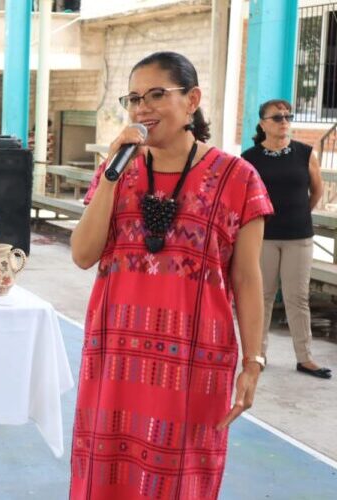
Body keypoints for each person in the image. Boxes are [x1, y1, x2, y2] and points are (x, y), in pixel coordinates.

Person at [69, 51, 272, 499]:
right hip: (115, 356)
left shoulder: (239, 178)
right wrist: (109, 174)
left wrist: (253, 363)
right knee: (107, 480)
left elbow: (248, 280)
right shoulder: (116, 171)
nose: (142, 108)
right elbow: (83, 254)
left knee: (183, 481)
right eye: (135, 98)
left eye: (157, 94)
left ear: (192, 100)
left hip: (194, 364)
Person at [241, 99, 330, 380]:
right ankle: (258, 355)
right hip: (264, 237)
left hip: (298, 235)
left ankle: (305, 358)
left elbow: (316, 191)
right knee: (263, 297)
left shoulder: (305, 153)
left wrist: (300, 212)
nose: (284, 122)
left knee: (297, 298)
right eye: (277, 117)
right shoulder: (250, 158)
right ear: (263, 123)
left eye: (287, 117)